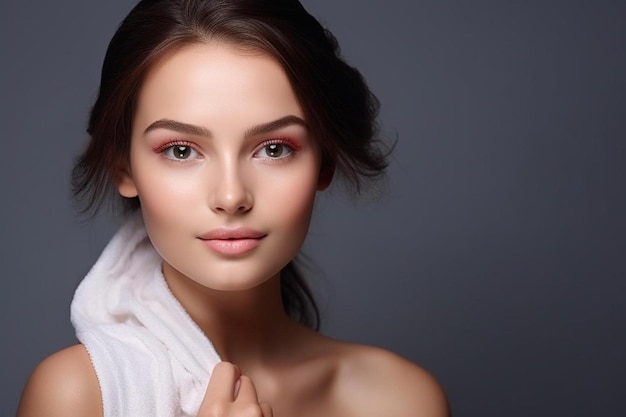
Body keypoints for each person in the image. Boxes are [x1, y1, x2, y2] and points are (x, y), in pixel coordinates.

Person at [17, 1, 449, 416]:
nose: (230, 196)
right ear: (124, 169)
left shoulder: (401, 401)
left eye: (274, 148)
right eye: (182, 150)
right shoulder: (75, 398)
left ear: (325, 161)